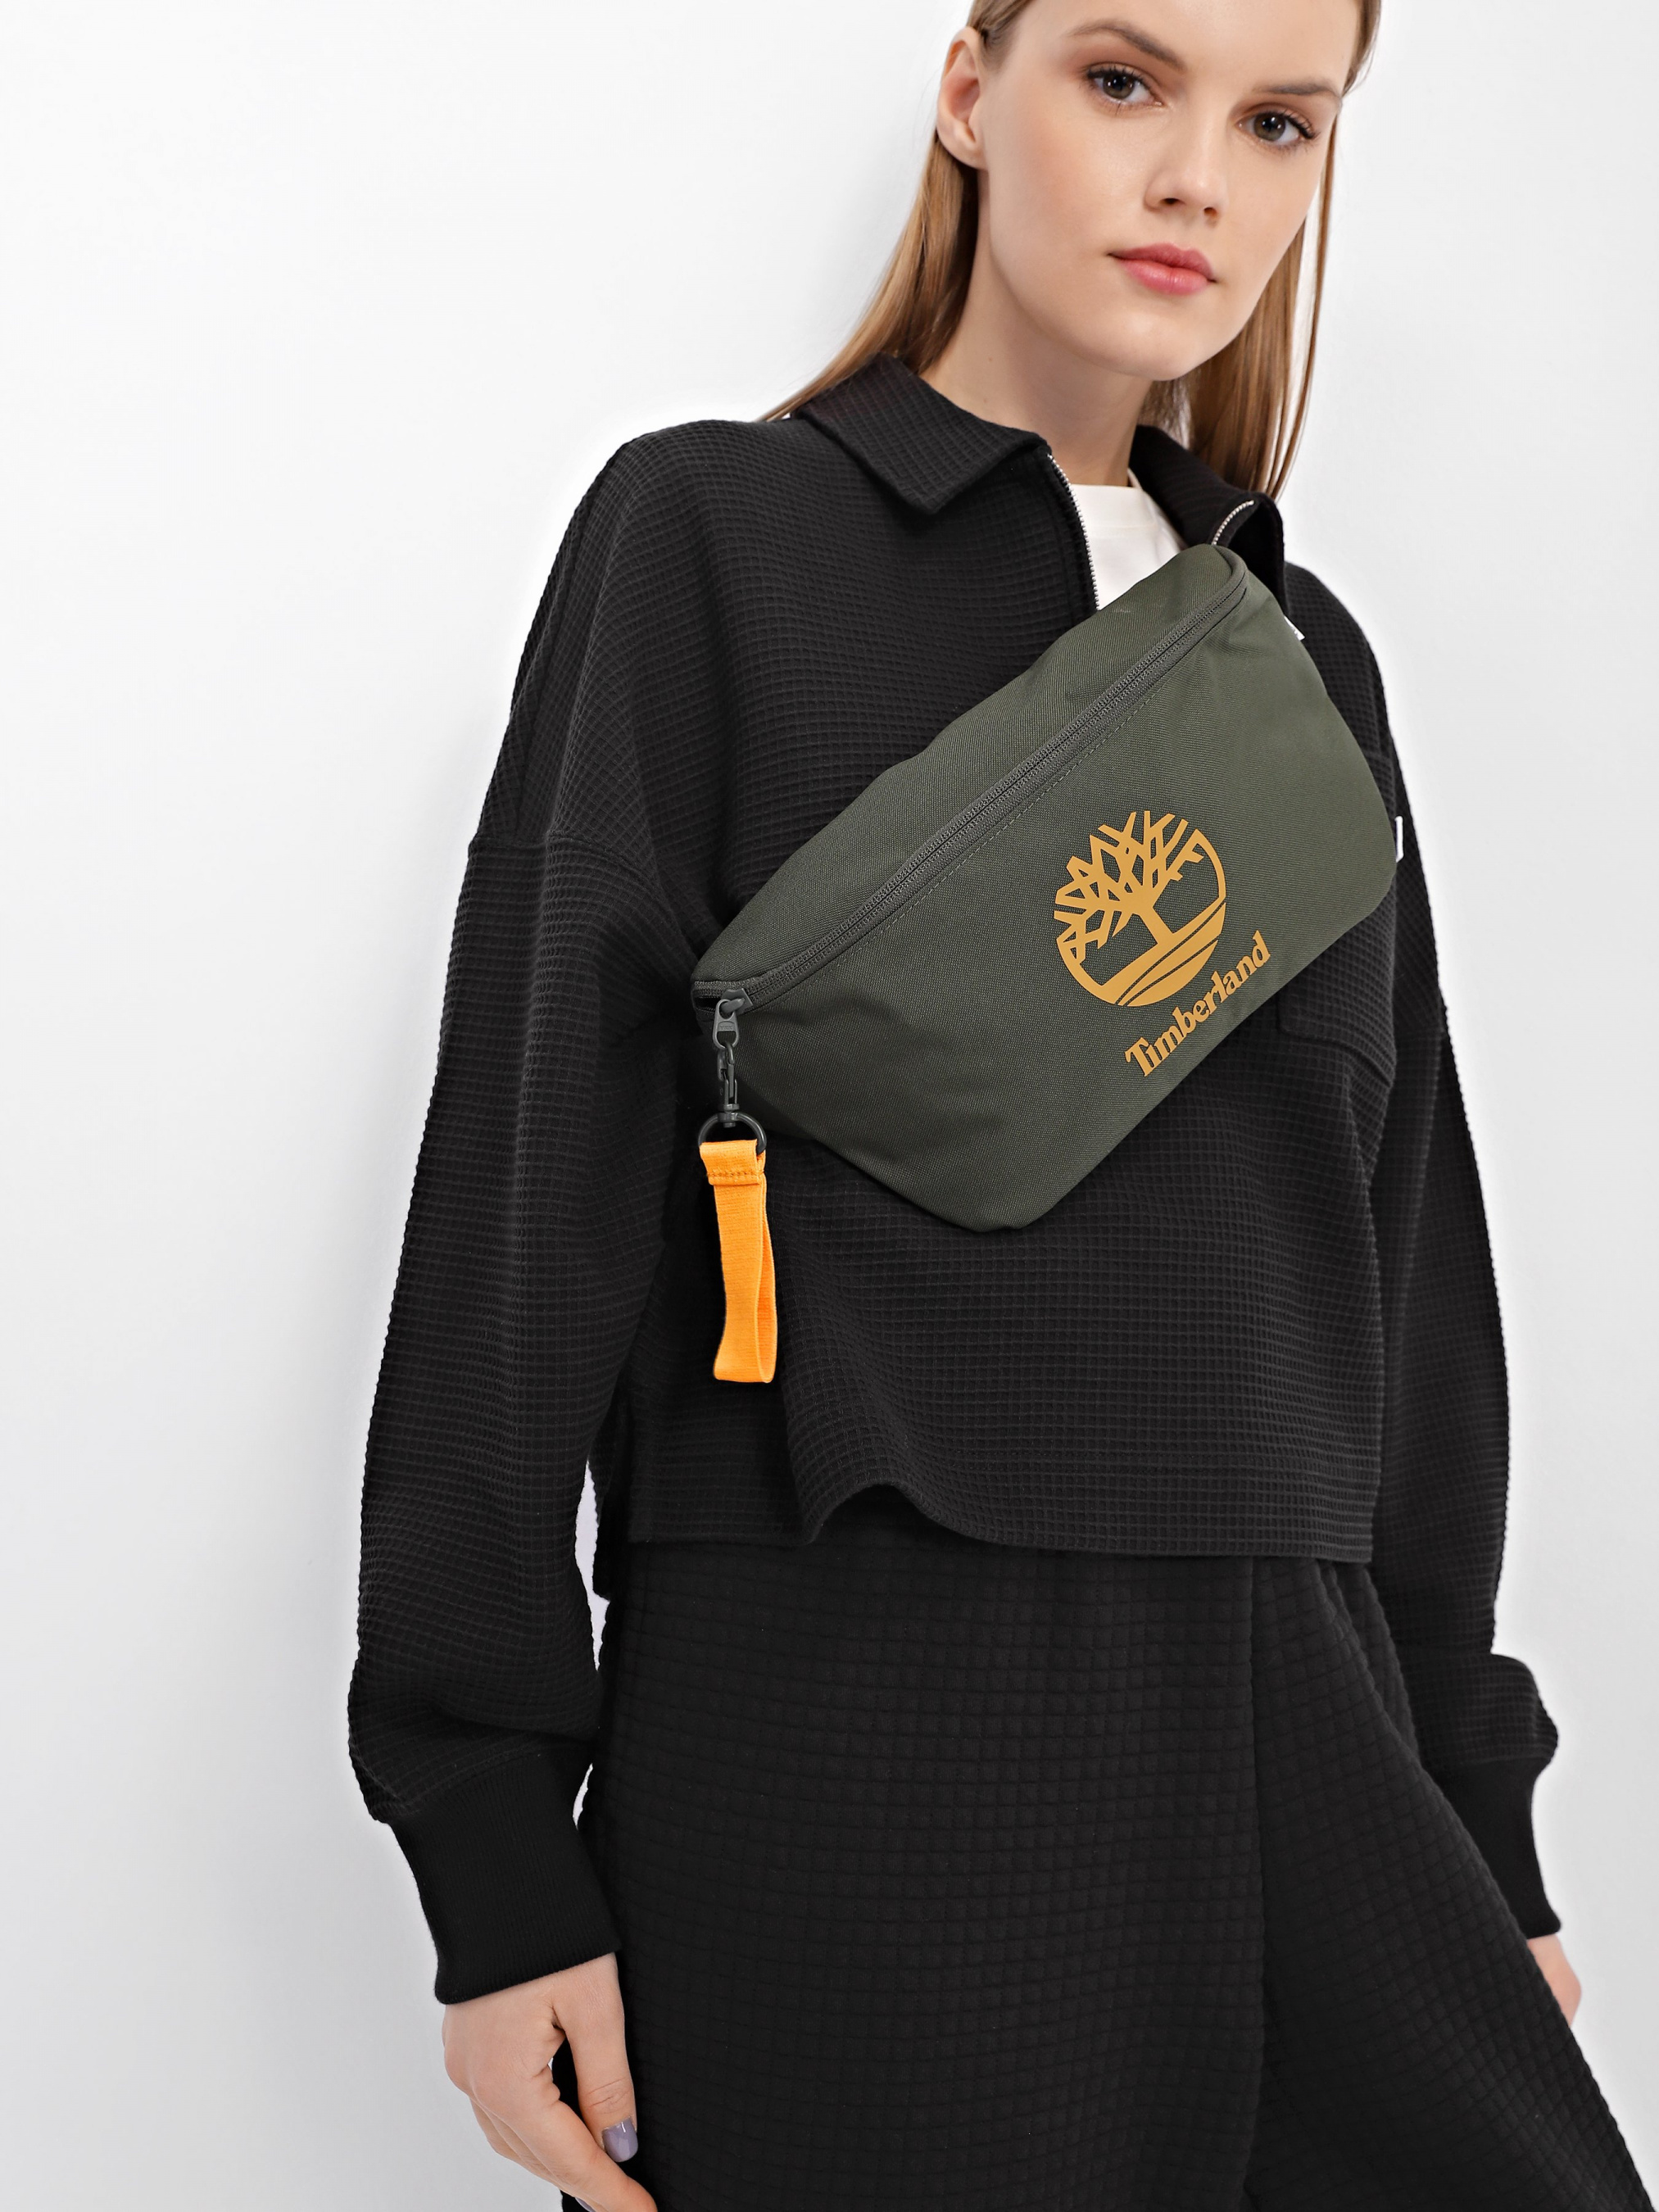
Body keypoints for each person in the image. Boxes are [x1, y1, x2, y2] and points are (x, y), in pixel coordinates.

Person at [348, 3, 1652, 2206]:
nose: (1200, 178)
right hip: (857, 1723)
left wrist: (1464, 1800)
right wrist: (491, 1842)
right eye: (1124, 80)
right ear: (971, 91)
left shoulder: (1298, 656)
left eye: (1279, 121)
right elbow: (524, 1195)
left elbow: (1403, 1264)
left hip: (1300, 1713)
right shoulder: (709, 543)